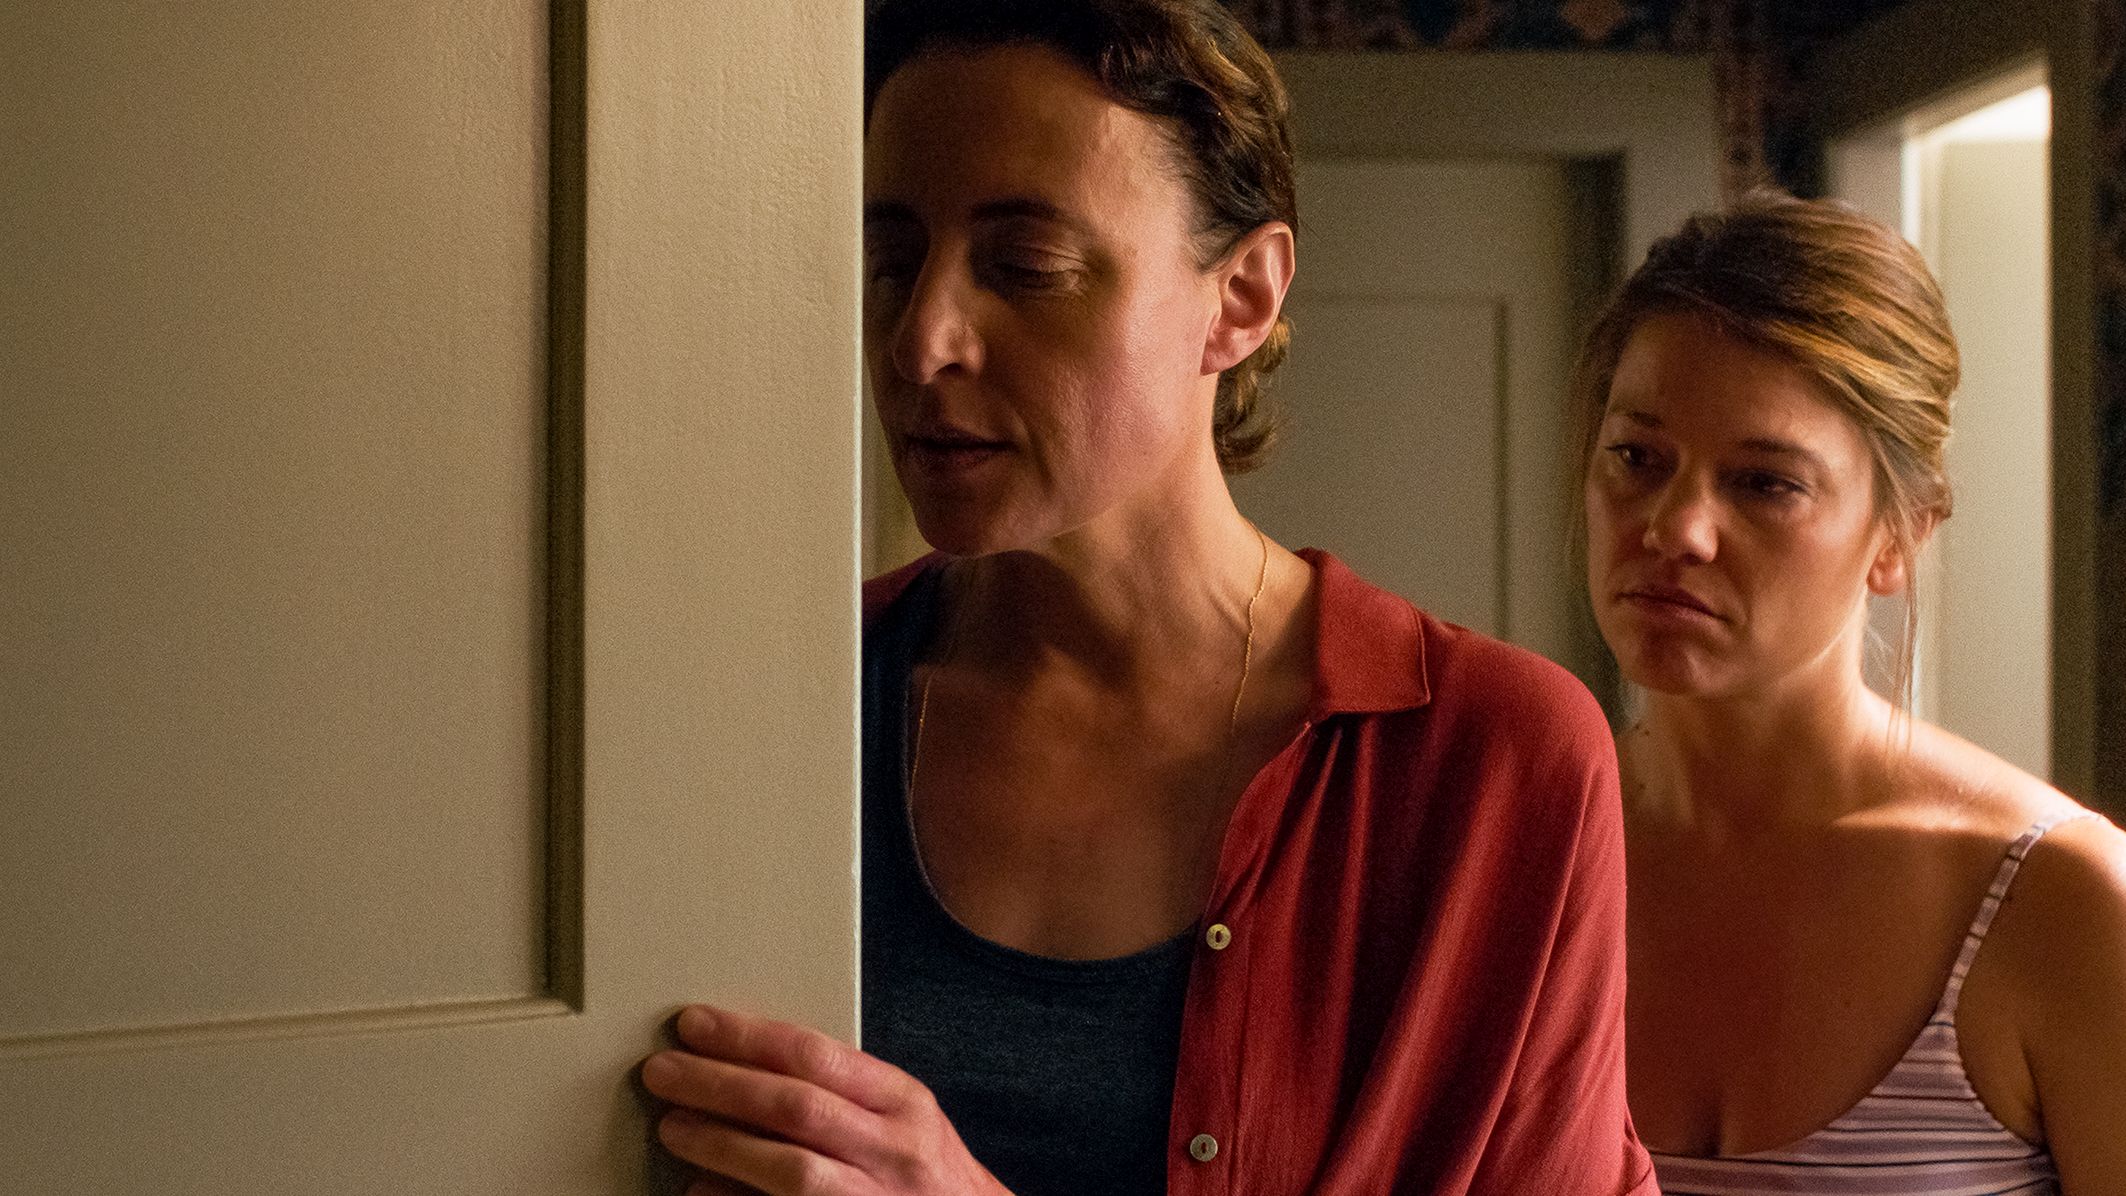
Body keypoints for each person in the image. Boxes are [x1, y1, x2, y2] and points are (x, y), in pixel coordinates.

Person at [638, 1, 1654, 1191]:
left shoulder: (1490, 761)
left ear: (1240, 298)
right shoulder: (773, 710)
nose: (919, 341)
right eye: (891, 262)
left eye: (1024, 267)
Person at [1577, 192, 2126, 1193]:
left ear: (1898, 536)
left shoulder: (2061, 903)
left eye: (1764, 482)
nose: (1673, 528)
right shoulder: (1508, 850)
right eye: (1636, 457)